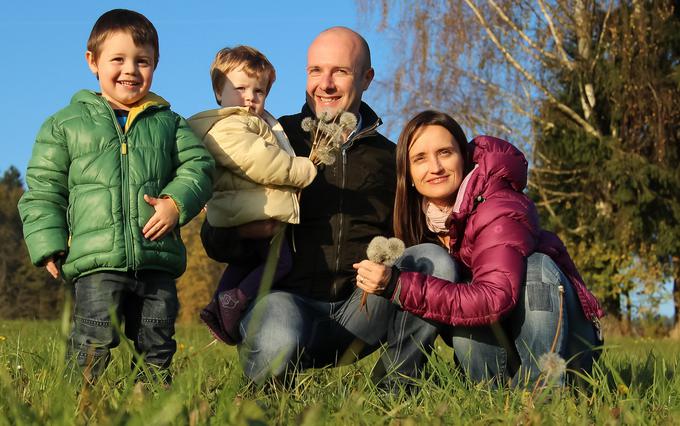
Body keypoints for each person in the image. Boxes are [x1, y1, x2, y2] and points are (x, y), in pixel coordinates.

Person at [200, 27, 438, 385]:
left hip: (362, 310)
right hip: (283, 303)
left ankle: (395, 391)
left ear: (367, 77)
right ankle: (266, 405)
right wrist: (240, 230)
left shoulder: (393, 158)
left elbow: (417, 233)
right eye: (315, 71)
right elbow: (214, 240)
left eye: (339, 71)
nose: (324, 84)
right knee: (278, 326)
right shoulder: (272, 140)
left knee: (434, 262)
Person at [17, 9, 214, 383]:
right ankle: (82, 402)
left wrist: (176, 203)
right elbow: (44, 187)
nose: (130, 70)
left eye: (143, 61)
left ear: (156, 64)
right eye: (118, 59)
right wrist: (49, 242)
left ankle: (151, 402)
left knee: (156, 341)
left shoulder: (168, 123)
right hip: (96, 261)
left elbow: (199, 167)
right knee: (93, 338)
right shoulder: (66, 124)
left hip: (156, 257)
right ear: (92, 62)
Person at [354, 110, 604, 386]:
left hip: (568, 346)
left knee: (536, 268)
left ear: (463, 158)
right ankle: (488, 393)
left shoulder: (496, 205)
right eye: (420, 158)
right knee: (460, 292)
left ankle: (542, 395)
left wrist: (398, 285)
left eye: (445, 153)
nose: (435, 167)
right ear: (409, 174)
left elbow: (495, 297)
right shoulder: (422, 224)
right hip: (505, 340)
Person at [188, 46, 317, 344]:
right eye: (240, 88)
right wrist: (302, 171)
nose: (250, 97)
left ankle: (219, 306)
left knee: (247, 263)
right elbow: (260, 161)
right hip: (250, 209)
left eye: (259, 91)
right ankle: (236, 299)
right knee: (279, 263)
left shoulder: (254, 123)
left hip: (248, 206)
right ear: (219, 92)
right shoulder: (227, 125)